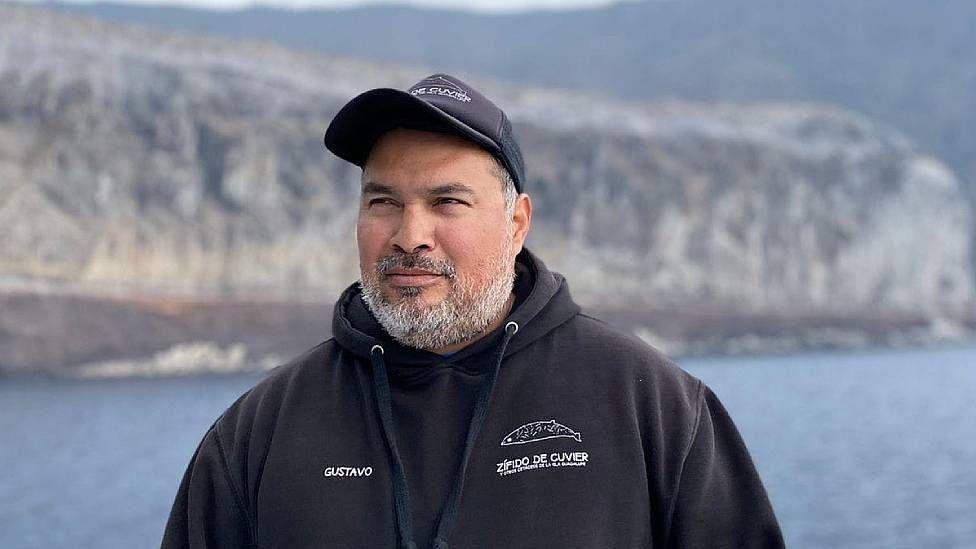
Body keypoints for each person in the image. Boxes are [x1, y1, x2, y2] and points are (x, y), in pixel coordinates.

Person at [161, 73, 784, 549]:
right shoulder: (258, 432)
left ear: (516, 223)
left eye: (447, 202)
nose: (410, 236)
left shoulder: (655, 408)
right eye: (383, 202)